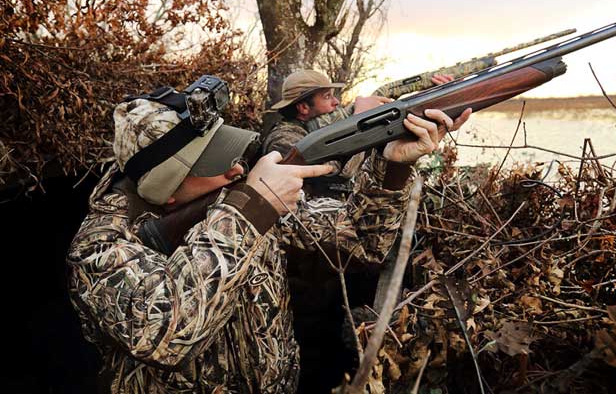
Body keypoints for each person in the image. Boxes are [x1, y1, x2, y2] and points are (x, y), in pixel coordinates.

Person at [67, 79, 471, 393]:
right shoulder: (99, 249)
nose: (237, 170)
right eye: (214, 163)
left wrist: (393, 167)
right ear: (164, 189)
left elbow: (361, 242)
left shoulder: (230, 197)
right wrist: (249, 211)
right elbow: (164, 335)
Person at [262, 69, 454, 198]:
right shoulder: (284, 138)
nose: (336, 102)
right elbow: (334, 171)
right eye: (327, 97)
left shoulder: (328, 124)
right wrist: (360, 119)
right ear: (303, 107)